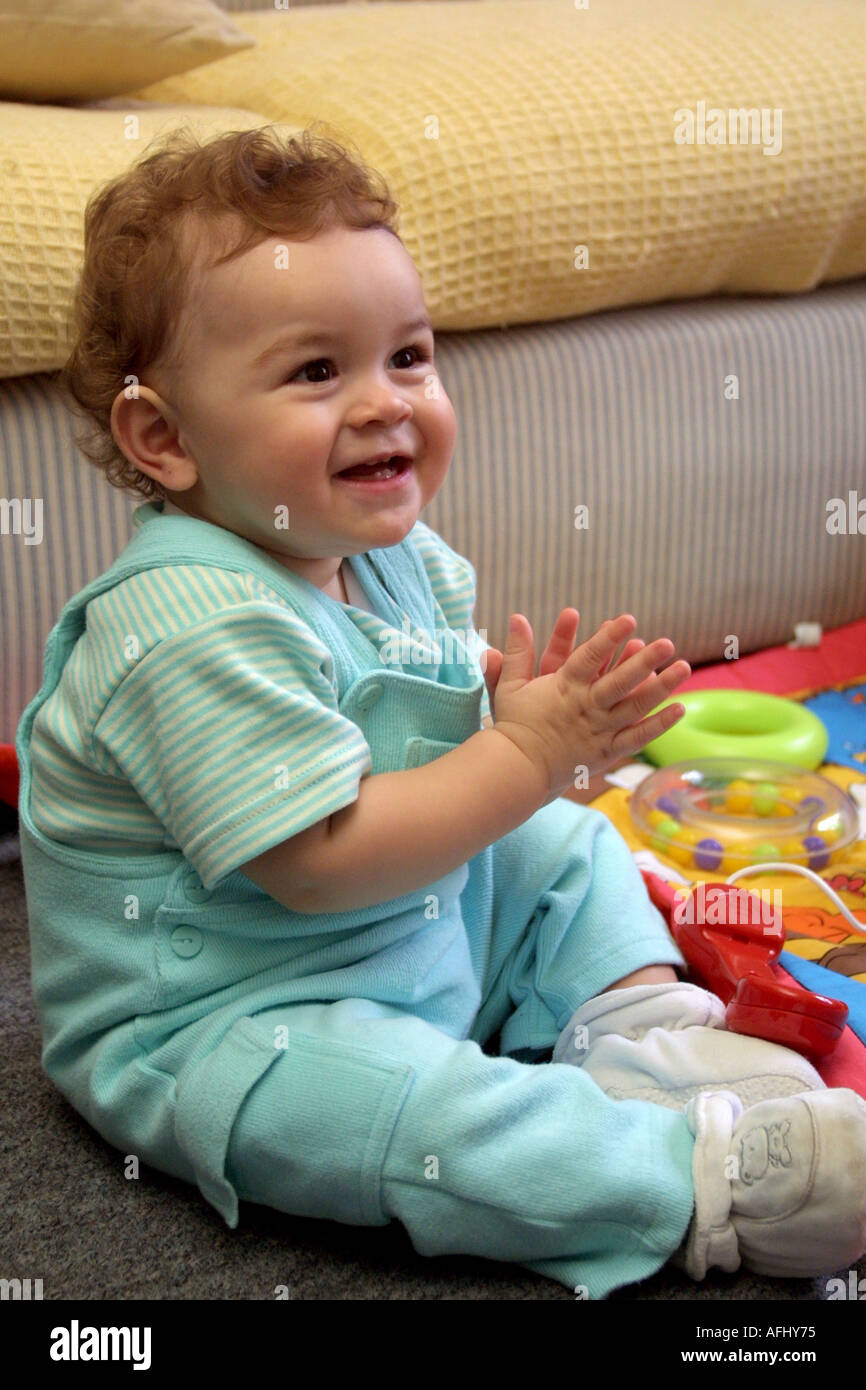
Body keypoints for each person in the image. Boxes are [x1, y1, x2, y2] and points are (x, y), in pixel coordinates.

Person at [16, 124, 866, 1301]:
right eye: (317, 372)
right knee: (402, 1114)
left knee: (559, 840)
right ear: (163, 438)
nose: (385, 403)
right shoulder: (184, 622)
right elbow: (317, 862)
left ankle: (635, 1025)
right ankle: (698, 1175)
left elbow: (405, 681)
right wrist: (522, 751)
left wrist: (497, 701)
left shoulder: (387, 548)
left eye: (407, 357)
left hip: (412, 926)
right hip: (239, 1011)